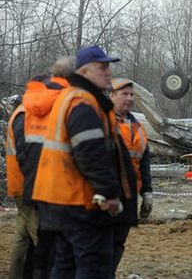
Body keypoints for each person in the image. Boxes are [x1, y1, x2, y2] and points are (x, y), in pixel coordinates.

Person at [31, 45, 138, 279]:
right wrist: (109, 194)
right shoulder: (84, 103)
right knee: (93, 268)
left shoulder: (71, 98)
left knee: (65, 267)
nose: (108, 72)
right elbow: (90, 153)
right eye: (102, 67)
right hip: (81, 206)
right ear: (85, 72)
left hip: (61, 203)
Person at [6, 57, 75, 279]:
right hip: (30, 186)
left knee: (22, 237)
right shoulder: (27, 114)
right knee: (41, 239)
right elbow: (30, 155)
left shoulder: (22, 112)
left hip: (21, 184)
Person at [109, 77, 153, 278]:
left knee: (118, 243)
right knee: (100, 244)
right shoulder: (100, 123)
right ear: (111, 96)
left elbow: (144, 163)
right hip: (105, 196)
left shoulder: (138, 127)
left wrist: (147, 192)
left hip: (129, 196)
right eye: (123, 94)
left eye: (131, 94)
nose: (128, 99)